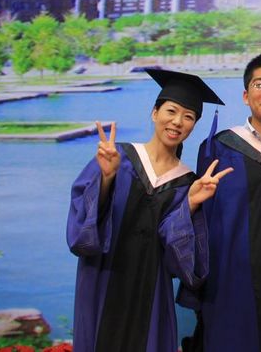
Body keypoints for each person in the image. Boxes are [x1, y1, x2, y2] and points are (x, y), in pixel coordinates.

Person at [67, 68, 233, 352]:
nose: (177, 122)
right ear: (155, 113)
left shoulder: (188, 182)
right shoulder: (116, 157)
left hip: (151, 288)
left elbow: (180, 259)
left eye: (188, 116)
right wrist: (106, 177)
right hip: (103, 278)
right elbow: (83, 227)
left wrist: (191, 204)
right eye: (171, 111)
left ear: (193, 126)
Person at [179, 53, 261, 352]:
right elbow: (202, 222)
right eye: (260, 84)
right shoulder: (217, 148)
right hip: (229, 282)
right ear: (246, 96)